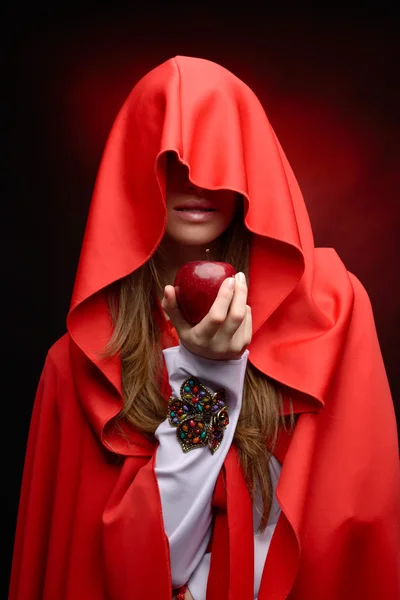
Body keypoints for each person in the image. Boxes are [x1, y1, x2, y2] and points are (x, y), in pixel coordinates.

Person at [9, 56, 400, 600]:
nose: (196, 177)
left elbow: (353, 538)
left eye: (216, 152)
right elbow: (148, 566)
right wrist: (206, 380)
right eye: (171, 157)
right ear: (132, 168)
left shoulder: (332, 309)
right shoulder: (79, 360)